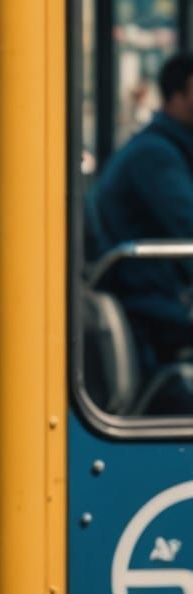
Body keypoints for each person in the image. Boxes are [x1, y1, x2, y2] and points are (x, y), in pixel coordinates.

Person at [89, 51, 193, 407]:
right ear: (178, 97)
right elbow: (188, 222)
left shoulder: (165, 147)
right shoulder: (156, 156)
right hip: (151, 304)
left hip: (155, 296)